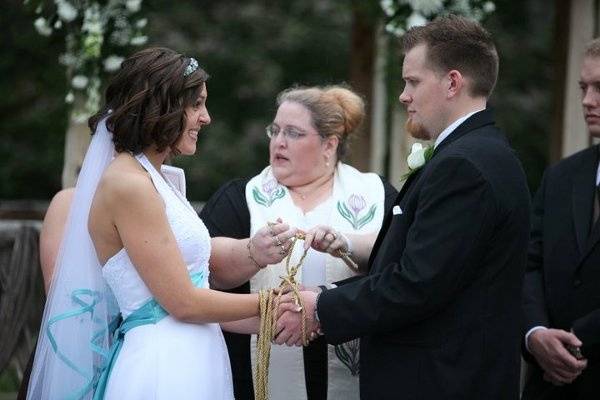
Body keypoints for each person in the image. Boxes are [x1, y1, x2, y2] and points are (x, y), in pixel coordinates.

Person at [276, 15, 532, 399]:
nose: (404, 95)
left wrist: (322, 307)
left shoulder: (465, 166)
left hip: (442, 383)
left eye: (413, 81)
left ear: (452, 82)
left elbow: (417, 284)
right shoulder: (480, 153)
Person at [26, 47, 295, 400]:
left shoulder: (155, 179)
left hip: (194, 355)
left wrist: (291, 316)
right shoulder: (128, 184)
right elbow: (183, 303)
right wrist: (273, 302)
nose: (206, 118)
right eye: (196, 105)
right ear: (163, 107)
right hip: (163, 366)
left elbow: (195, 291)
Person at [200, 85, 398, 399]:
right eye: (275, 130)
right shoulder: (239, 200)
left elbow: (399, 267)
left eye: (293, 133)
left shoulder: (376, 196)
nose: (279, 142)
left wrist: (346, 243)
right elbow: (203, 276)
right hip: (253, 377)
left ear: (329, 145)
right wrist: (253, 253)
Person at [521, 38, 600, 399]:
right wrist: (535, 333)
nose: (587, 101)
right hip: (548, 386)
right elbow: (529, 266)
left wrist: (572, 346)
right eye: (584, 88)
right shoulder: (561, 178)